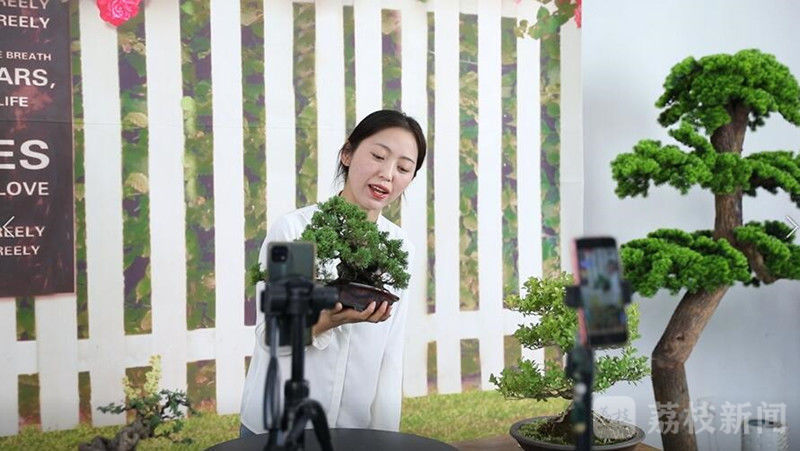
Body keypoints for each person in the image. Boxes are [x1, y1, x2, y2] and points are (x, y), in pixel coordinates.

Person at [239, 110, 427, 437]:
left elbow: (390, 357)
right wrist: (326, 321)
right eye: (378, 156)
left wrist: (384, 438)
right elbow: (273, 336)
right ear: (347, 153)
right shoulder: (297, 230)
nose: (387, 174)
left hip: (353, 433)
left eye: (403, 167)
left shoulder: (400, 247)